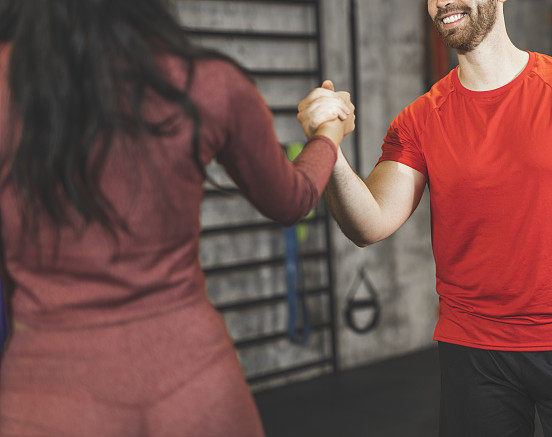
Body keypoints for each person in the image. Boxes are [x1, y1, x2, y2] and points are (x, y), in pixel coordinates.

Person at [301, 0, 552, 435]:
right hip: (474, 353)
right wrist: (327, 150)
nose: (443, 2)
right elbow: (367, 225)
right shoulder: (421, 119)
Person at [0, 0, 353, 435]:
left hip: (49, 394)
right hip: (193, 384)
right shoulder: (207, 82)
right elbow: (293, 200)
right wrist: (329, 133)